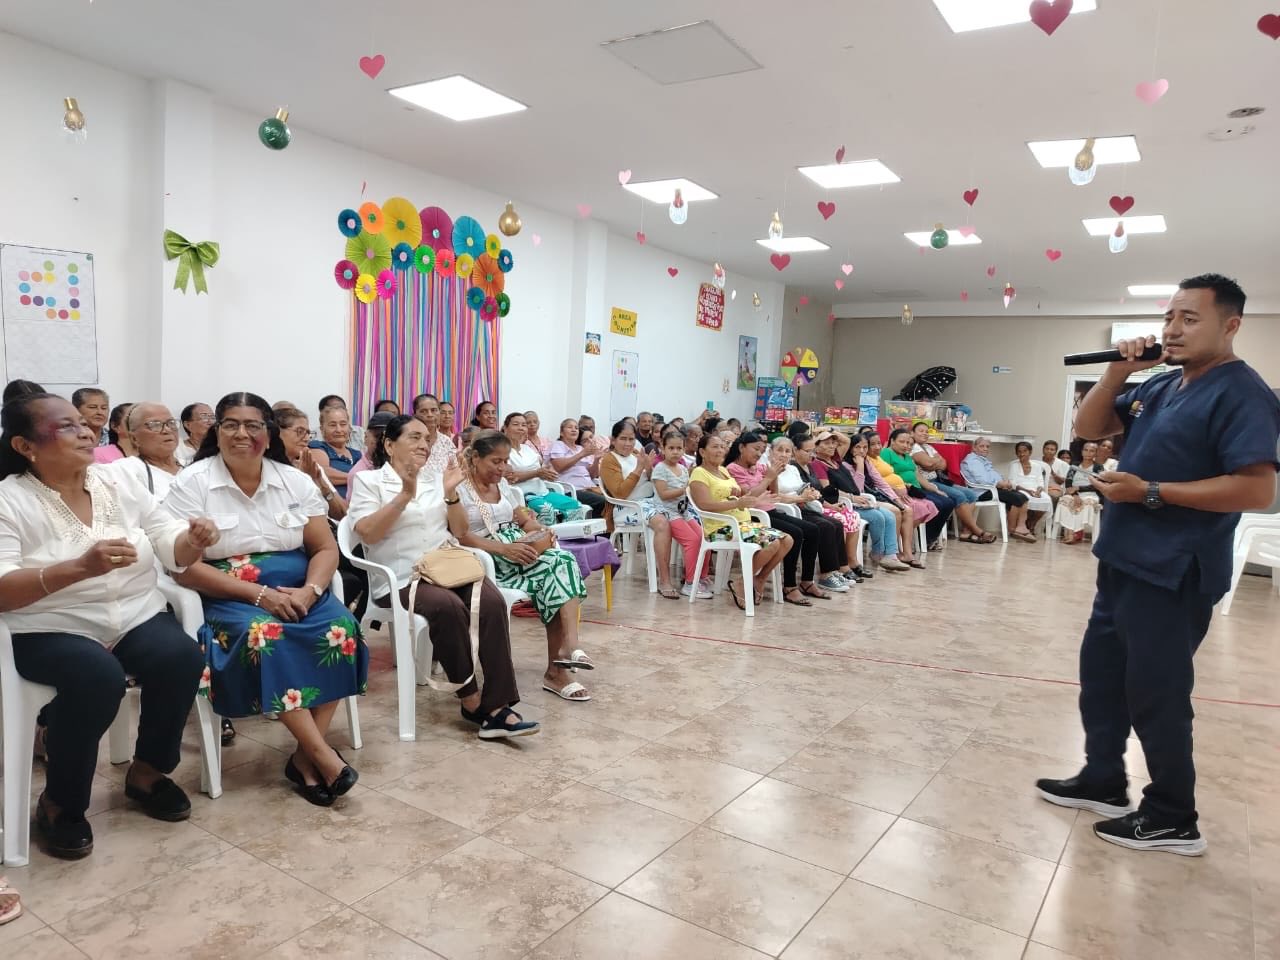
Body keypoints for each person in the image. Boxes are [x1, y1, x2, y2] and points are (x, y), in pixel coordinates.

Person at [1037, 273, 1280, 855]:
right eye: (1170, 316)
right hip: (1122, 559)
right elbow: (1088, 429)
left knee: (1156, 692)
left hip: (1173, 569)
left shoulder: (1243, 393)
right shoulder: (1165, 382)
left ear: (1231, 325)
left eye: (1190, 318)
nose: (1172, 328)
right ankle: (1103, 778)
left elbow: (1256, 490)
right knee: (1102, 677)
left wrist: (1150, 492)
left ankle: (1173, 814)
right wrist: (1117, 372)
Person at [0, 393, 217, 858]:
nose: (86, 431)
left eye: (84, 423)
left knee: (180, 657)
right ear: (25, 446)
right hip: (48, 624)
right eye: (67, 426)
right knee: (98, 678)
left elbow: (167, 538)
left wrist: (193, 540)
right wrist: (78, 568)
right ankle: (61, 801)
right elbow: (3, 588)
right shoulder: (9, 499)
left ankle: (148, 773)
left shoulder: (116, 480)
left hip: (133, 612)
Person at [164, 392, 368, 807]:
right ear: (217, 432)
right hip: (229, 593)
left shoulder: (293, 481)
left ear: (268, 433)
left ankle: (304, 756)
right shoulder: (192, 482)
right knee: (265, 635)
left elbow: (325, 548)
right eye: (231, 424)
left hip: (298, 587)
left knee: (341, 628)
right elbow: (183, 567)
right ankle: (321, 756)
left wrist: (311, 590)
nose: (242, 433)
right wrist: (259, 595)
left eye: (253, 425)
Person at [349, 416, 537, 739]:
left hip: (446, 567)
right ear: (390, 445)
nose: (424, 444)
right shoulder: (370, 482)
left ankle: (498, 704)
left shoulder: (437, 479)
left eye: (426, 438)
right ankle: (471, 701)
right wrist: (404, 496)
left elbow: (460, 531)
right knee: (447, 607)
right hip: (401, 578)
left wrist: (450, 494)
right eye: (414, 437)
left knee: (491, 601)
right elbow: (368, 533)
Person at [452, 430, 594, 702]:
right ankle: (560, 665)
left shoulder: (502, 486)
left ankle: (567, 651)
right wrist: (504, 548)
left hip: (518, 551)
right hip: (487, 557)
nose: (502, 468)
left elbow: (523, 520)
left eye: (506, 461)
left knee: (561, 562)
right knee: (557, 572)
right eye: (496, 461)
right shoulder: (459, 489)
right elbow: (461, 535)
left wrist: (540, 530)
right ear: (476, 458)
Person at [689, 433, 789, 610]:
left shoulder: (723, 471)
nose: (720, 450)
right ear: (702, 452)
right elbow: (703, 505)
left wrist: (743, 493)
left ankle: (759, 579)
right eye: (715, 447)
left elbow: (745, 494)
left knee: (787, 540)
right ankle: (742, 582)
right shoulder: (699, 473)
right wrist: (736, 503)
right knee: (772, 543)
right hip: (721, 528)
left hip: (742, 524)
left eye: (722, 447)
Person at [599, 419, 679, 598]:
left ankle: (692, 578)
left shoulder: (636, 454)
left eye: (631, 439)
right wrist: (639, 469)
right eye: (623, 439)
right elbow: (620, 493)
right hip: (627, 507)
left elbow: (650, 481)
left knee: (683, 516)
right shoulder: (609, 460)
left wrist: (649, 469)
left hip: (650, 502)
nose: (628, 443)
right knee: (662, 523)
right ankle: (664, 580)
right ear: (613, 440)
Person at [771, 436, 861, 590]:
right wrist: (801, 498)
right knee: (823, 526)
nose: (784, 454)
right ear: (771, 451)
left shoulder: (792, 469)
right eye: (780, 450)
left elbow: (802, 488)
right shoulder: (769, 469)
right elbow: (775, 496)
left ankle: (834, 570)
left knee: (836, 524)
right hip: (788, 509)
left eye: (787, 451)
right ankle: (824, 576)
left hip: (803, 505)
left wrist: (811, 493)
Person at [834, 432, 914, 572]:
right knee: (880, 516)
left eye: (865, 447)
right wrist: (860, 467)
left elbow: (881, 482)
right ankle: (878, 552)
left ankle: (891, 555)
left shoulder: (867, 462)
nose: (862, 451)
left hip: (867, 501)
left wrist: (896, 500)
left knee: (890, 515)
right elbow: (857, 489)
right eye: (858, 447)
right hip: (852, 503)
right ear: (850, 448)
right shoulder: (845, 465)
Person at [650, 429, 713, 598]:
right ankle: (690, 583)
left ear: (684, 449)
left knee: (705, 537)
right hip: (668, 512)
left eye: (679, 448)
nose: (675, 452)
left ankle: (701, 577)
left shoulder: (684, 469)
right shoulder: (660, 469)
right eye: (671, 448)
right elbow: (663, 494)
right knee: (692, 540)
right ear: (663, 449)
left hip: (684, 511)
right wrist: (685, 489)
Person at [909, 422, 992, 543]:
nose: (925, 434)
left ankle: (966, 531)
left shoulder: (928, 447)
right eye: (921, 431)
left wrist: (933, 462)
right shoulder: (913, 447)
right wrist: (935, 461)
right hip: (927, 482)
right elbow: (928, 463)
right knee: (959, 496)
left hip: (939, 479)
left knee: (971, 494)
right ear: (912, 433)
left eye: (927, 431)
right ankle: (976, 530)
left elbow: (943, 464)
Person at [503, 412, 585, 523]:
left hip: (543, 492)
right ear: (505, 428)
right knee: (547, 510)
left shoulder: (528, 449)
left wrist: (548, 473)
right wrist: (536, 473)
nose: (521, 428)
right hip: (523, 496)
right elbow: (509, 477)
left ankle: (567, 533)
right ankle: (548, 534)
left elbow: (542, 469)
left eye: (524, 425)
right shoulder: (503, 451)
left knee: (575, 505)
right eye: (516, 424)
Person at [880, 428, 954, 549]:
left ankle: (929, 538)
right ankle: (917, 539)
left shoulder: (907, 456)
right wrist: (902, 485)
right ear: (892, 441)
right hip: (902, 491)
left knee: (948, 502)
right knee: (939, 504)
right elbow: (884, 474)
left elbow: (918, 476)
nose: (906, 446)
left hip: (917, 489)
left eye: (908, 443)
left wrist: (935, 489)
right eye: (902, 442)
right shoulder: (886, 453)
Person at [961, 436, 1035, 542]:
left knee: (1022, 496)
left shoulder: (982, 459)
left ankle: (1019, 526)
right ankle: (1015, 528)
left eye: (987, 446)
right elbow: (981, 479)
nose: (985, 449)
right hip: (981, 491)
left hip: (992, 488)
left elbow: (993, 475)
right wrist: (1000, 484)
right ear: (974, 447)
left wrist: (1004, 483)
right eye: (982, 446)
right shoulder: (973, 461)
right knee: (1018, 498)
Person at [109, 403, 184, 499]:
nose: (167, 430)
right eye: (155, 425)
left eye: (171, 423)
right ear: (134, 438)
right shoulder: (125, 470)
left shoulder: (191, 465)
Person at [548, 418, 605, 517]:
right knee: (602, 501)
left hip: (589, 488)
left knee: (614, 498)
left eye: (576, 428)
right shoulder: (558, 445)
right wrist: (581, 454)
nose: (574, 430)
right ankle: (597, 526)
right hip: (572, 490)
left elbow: (592, 475)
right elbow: (559, 467)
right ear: (561, 433)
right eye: (570, 427)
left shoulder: (580, 448)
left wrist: (596, 460)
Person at [1053, 440, 1103, 543]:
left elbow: (1098, 485)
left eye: (1091, 451)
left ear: (1096, 453)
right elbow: (1068, 482)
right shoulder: (1075, 465)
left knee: (1087, 503)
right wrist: (1075, 495)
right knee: (1064, 501)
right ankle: (1070, 533)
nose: (1088, 453)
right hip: (1073, 493)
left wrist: (1079, 488)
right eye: (1086, 450)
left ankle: (1073, 534)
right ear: (1082, 451)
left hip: (1090, 494)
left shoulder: (1098, 467)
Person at [308, 404, 361, 499]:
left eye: (343, 424)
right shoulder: (317, 447)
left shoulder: (358, 454)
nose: (338, 430)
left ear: (349, 428)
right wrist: (358, 478)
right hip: (330, 503)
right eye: (332, 425)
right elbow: (322, 474)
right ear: (322, 429)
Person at [342, 411, 396, 501]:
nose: (383, 442)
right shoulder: (359, 474)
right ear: (365, 437)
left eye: (389, 438)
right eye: (378, 436)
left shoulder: (405, 466)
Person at [1008, 441, 1055, 534]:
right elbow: (1012, 483)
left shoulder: (1037, 466)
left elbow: (1040, 482)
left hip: (1035, 490)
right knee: (1025, 498)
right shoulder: (1014, 465)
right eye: (1019, 451)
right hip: (1020, 490)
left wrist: (1038, 491)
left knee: (1047, 499)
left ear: (1030, 452)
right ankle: (1025, 524)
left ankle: (1032, 523)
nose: (1022, 454)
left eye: (1024, 451)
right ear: (1016, 453)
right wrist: (1028, 491)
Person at [411, 393, 460, 474]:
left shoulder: (446, 442)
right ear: (414, 415)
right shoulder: (409, 440)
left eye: (434, 410)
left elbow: (454, 472)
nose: (430, 415)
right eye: (423, 411)